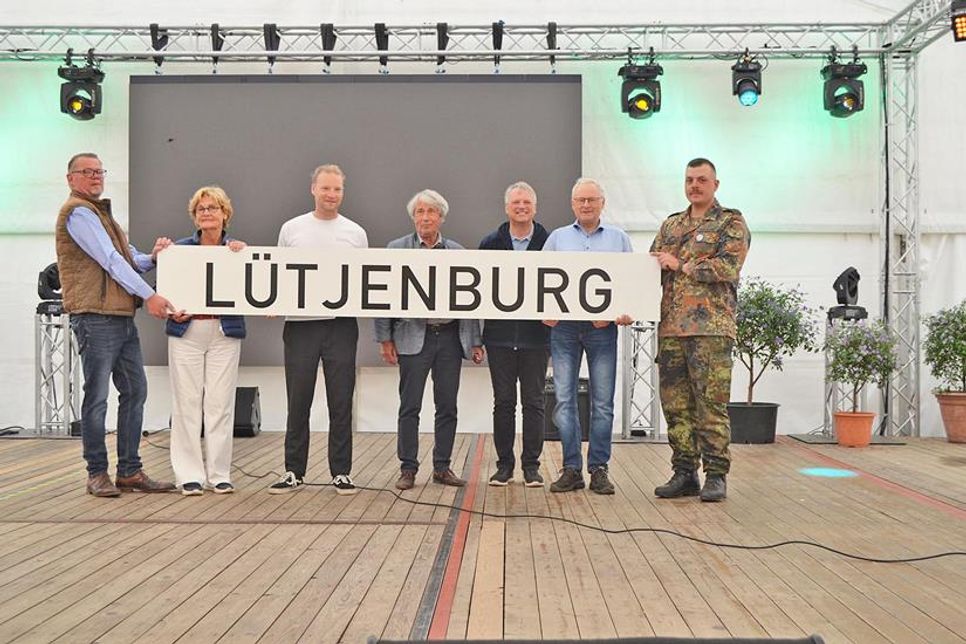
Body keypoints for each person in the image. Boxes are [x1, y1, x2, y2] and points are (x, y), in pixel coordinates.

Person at [55, 152, 176, 497]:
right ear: (71, 179)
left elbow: (129, 257)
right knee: (97, 397)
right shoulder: (78, 212)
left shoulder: (101, 214)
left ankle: (129, 471)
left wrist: (153, 258)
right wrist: (149, 295)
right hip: (95, 317)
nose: (96, 176)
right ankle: (97, 472)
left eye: (99, 171)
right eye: (87, 172)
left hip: (120, 316)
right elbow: (110, 261)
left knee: (135, 391)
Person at [650, 158, 750, 502]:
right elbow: (650, 268)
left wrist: (681, 265)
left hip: (711, 330)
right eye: (690, 180)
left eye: (702, 180)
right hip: (671, 329)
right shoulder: (671, 225)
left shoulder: (730, 222)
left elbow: (728, 266)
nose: (694, 185)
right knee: (676, 406)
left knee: (711, 405)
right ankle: (685, 472)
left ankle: (716, 474)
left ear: (715, 184)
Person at [268, 164, 369, 495]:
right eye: (325, 188)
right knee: (298, 400)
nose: (331, 194)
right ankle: (293, 470)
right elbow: (279, 274)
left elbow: (363, 279)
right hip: (300, 327)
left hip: (341, 327)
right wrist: (273, 302)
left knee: (341, 401)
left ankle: (341, 472)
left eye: (337, 189)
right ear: (313, 189)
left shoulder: (356, 233)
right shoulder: (291, 229)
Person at [375, 189, 484, 491]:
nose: (425, 217)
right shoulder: (396, 250)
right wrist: (384, 338)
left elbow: (469, 301)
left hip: (449, 338)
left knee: (447, 405)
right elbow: (382, 297)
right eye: (420, 212)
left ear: (441, 217)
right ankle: (408, 468)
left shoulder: (458, 253)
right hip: (412, 337)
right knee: (409, 405)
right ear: (413, 217)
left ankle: (442, 467)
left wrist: (475, 341)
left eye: (431, 212)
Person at [542, 178, 634, 495]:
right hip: (564, 328)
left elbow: (630, 282)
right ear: (572, 204)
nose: (586, 205)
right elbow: (539, 278)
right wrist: (543, 310)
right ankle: (571, 468)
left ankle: (598, 468)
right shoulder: (557, 238)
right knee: (564, 400)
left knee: (603, 403)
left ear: (602, 203)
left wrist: (621, 311)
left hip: (602, 328)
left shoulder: (619, 239)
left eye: (592, 199)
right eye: (580, 200)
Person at [164, 186, 247, 496]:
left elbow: (251, 286)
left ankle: (219, 474)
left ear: (225, 214)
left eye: (213, 208)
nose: (207, 213)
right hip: (187, 332)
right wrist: (171, 309)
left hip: (224, 333)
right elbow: (164, 288)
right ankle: (189, 475)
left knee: (220, 404)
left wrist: (244, 256)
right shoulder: (178, 250)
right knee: (185, 404)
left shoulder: (237, 251)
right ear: (194, 216)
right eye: (201, 209)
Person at [478, 181, 550, 487]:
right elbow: (479, 291)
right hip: (499, 338)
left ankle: (531, 466)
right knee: (504, 403)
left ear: (535, 207)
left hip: (537, 338)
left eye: (526, 203)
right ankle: (504, 466)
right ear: (507, 208)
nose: (521, 207)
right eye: (516, 203)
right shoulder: (489, 243)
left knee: (534, 402)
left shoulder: (550, 243)